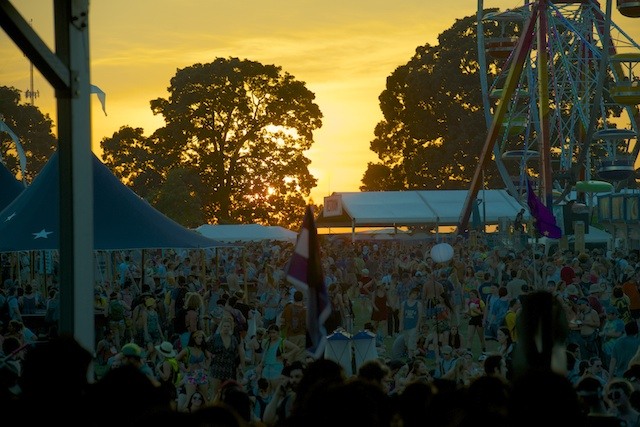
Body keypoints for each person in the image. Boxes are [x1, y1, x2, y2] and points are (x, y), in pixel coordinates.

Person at [208, 317, 245, 400]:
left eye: (228, 326)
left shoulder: (233, 339)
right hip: (217, 368)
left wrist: (239, 367)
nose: (226, 328)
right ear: (221, 327)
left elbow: (236, 354)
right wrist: (211, 357)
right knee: (215, 392)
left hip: (229, 369)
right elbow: (207, 349)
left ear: (231, 327)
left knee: (226, 393)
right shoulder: (215, 338)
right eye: (224, 326)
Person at [175, 330, 212, 407]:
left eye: (202, 338)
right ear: (194, 338)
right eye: (199, 338)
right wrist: (184, 369)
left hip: (201, 374)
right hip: (191, 375)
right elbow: (176, 359)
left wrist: (206, 367)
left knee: (205, 399)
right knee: (189, 400)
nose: (201, 340)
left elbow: (209, 358)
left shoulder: (202, 349)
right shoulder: (187, 349)